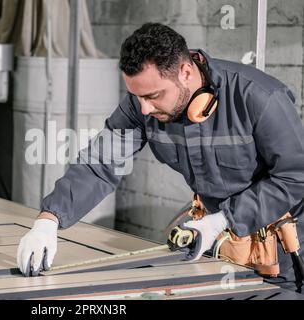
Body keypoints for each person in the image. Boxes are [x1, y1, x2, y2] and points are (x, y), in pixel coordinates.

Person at [17, 23, 304, 292]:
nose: (143, 109)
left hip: (286, 249)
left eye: (153, 96)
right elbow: (99, 163)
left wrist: (223, 220)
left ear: (186, 73)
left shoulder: (260, 98)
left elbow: (295, 177)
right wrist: (49, 219)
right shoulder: (141, 104)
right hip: (221, 243)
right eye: (137, 97)